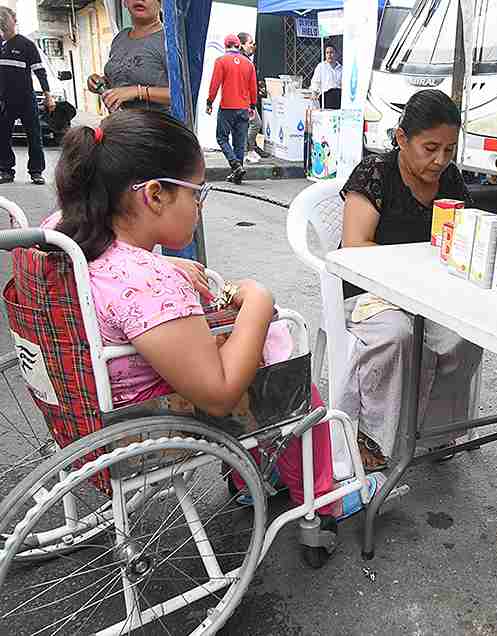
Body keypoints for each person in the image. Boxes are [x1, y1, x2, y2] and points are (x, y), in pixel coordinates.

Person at [45, 108, 336, 524]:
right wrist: (256, 299)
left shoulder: (62, 233)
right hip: (143, 426)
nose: (199, 205)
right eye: (195, 192)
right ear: (154, 195)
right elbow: (217, 394)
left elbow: (115, 281)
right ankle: (320, 499)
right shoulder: (149, 281)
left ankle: (255, 476)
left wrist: (167, 267)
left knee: (242, 344)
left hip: (78, 409)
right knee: (288, 368)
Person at [339, 89, 482, 470]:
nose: (440, 160)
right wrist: (415, 265)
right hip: (369, 293)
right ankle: (372, 434)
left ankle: (434, 431)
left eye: (449, 150)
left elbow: (466, 233)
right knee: (397, 337)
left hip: (428, 292)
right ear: (402, 138)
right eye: (430, 147)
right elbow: (354, 246)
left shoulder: (448, 180)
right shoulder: (375, 173)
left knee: (465, 335)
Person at [0, 6, 54, 185]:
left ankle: (36, 171)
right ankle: (6, 170)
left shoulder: (26, 44)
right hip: (4, 102)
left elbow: (40, 72)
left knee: (34, 136)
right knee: (3, 136)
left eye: (6, 19)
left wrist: (48, 95)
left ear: (14, 21)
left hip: (26, 100)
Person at [86, 0, 170, 113]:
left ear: (161, 3)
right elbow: (121, 78)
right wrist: (100, 82)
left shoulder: (169, 41)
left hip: (156, 127)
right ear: (124, 2)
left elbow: (183, 94)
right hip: (122, 124)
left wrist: (138, 92)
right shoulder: (121, 37)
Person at [207, 34, 258, 185]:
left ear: (225, 46)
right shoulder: (248, 64)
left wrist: (209, 102)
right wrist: (253, 106)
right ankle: (238, 174)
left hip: (227, 107)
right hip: (243, 108)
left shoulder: (221, 61)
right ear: (238, 45)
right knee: (239, 142)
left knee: (221, 138)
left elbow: (214, 84)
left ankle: (235, 165)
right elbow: (253, 88)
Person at [238, 31, 270, 161]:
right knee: (256, 123)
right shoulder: (242, 60)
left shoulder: (246, 59)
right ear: (241, 45)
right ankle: (249, 148)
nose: (253, 46)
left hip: (246, 98)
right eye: (250, 43)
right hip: (244, 99)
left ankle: (250, 148)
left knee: (250, 124)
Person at [310, 45, 342, 109]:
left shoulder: (341, 68)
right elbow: (315, 82)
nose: (329, 55)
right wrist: (314, 93)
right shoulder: (321, 66)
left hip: (338, 96)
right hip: (326, 96)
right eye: (327, 53)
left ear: (336, 54)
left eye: (331, 52)